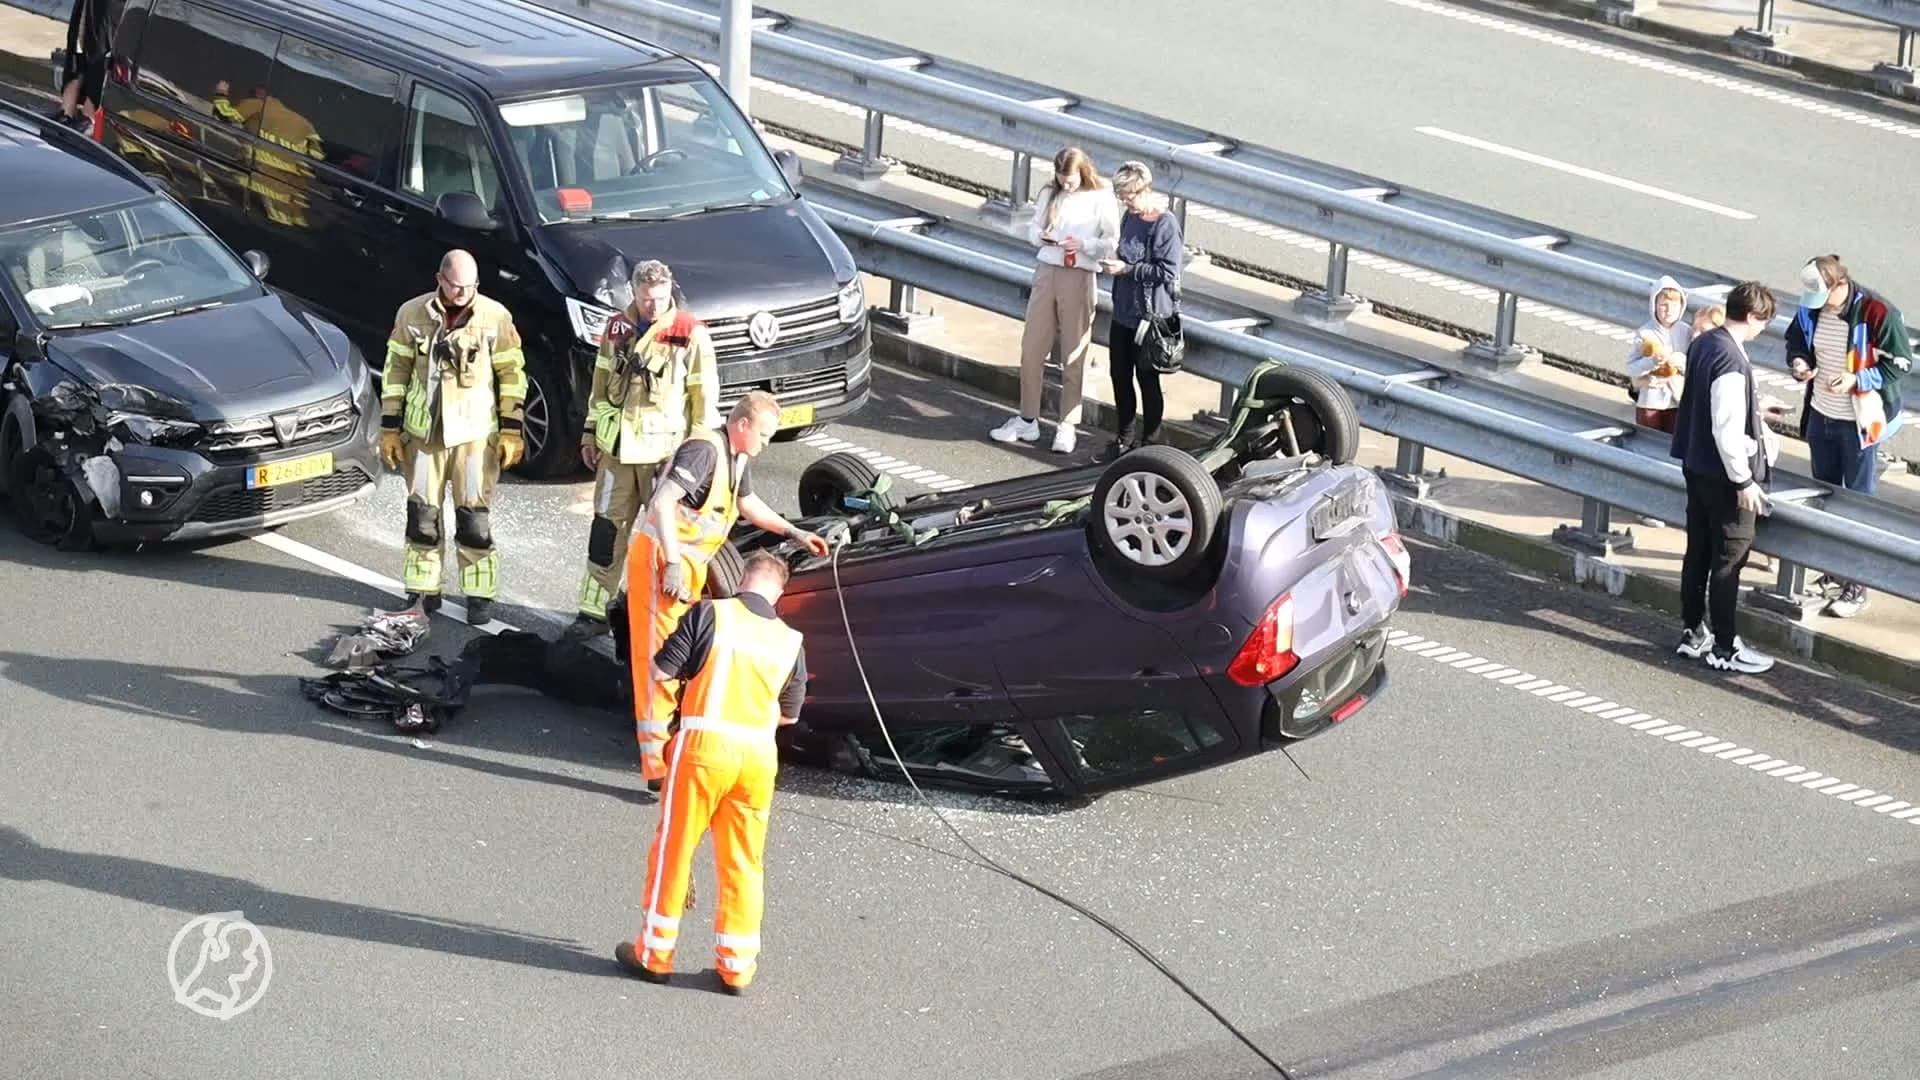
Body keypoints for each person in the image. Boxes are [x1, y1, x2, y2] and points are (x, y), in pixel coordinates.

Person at [615, 550, 807, 994]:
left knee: (674, 850)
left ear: (743, 579)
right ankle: (736, 968)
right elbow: (789, 716)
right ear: (779, 592)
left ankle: (654, 954)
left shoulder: (710, 614)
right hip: (758, 758)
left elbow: (661, 671)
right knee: (743, 862)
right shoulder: (790, 641)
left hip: (704, 748)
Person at [625, 391, 829, 788]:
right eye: (765, 435)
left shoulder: (737, 457)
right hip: (661, 565)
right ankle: (657, 767)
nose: (766, 444)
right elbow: (663, 503)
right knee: (660, 663)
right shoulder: (704, 452)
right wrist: (669, 564)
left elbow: (747, 503)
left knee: (681, 654)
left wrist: (795, 532)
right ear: (742, 425)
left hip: (688, 565)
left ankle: (671, 747)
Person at [571, 260, 720, 637]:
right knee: (605, 533)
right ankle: (593, 613)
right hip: (617, 454)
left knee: (661, 540)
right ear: (634, 293)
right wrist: (590, 434)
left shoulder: (690, 333)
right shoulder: (617, 328)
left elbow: (704, 399)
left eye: (659, 298)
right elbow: (600, 386)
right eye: (645, 298)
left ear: (669, 290)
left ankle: (657, 620)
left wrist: (697, 455)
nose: (653, 306)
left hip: (662, 458)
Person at [379, 250, 528, 626]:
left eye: (470, 286)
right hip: (424, 434)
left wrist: (512, 429)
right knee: (422, 515)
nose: (463, 293)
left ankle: (479, 595)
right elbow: (396, 370)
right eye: (456, 285)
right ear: (439, 280)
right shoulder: (411, 314)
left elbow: (512, 375)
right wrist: (389, 428)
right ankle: (423, 589)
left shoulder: (495, 317)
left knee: (473, 517)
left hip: (475, 435)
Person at [1783, 255, 1912, 618]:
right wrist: (1799, 364)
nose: (1818, 306)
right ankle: (1830, 570)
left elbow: (1900, 363)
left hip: (1859, 423)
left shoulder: (1876, 311)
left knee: (1857, 502)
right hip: (1821, 415)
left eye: (1824, 298)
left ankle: (1857, 584)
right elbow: (1796, 340)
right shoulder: (1811, 308)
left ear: (1839, 285)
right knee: (1824, 495)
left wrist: (1857, 379)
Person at [1669, 281, 1781, 675]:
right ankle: (1725, 645)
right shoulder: (1732, 360)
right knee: (1729, 558)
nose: (1762, 330)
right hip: (1724, 476)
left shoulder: (1705, 342)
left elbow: (1709, 402)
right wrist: (1744, 482)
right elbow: (1727, 428)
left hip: (1694, 464)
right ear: (1752, 316)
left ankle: (1692, 630)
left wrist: (1756, 406)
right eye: (1763, 322)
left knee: (1697, 550)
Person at [990, 146, 1120, 455]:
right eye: (1062, 179)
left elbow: (1111, 240)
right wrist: (1042, 237)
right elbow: (1033, 229)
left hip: (1079, 273)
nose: (1067, 185)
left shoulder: (1101, 195)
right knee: (1032, 348)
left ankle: (1067, 424)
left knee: (1074, 352)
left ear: (1082, 172)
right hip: (1047, 268)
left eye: (1071, 180)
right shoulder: (1050, 191)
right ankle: (1027, 418)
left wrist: (1084, 244)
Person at [1097, 160, 1184, 462]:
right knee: (1120, 375)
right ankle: (1124, 439)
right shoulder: (1129, 218)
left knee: (1148, 380)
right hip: (1124, 311)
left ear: (1145, 190)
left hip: (1150, 318)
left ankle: (1150, 444)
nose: (1125, 201)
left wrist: (1128, 269)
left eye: (1129, 195)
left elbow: (1168, 271)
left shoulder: (1165, 224)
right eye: (1122, 196)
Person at [1627, 276, 1693, 435]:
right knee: (1649, 439)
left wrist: (1679, 361)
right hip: (1651, 400)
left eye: (1674, 305)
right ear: (1654, 306)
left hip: (1678, 400)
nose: (1669, 310)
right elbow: (1632, 368)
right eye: (1663, 305)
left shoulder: (1686, 332)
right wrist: (1651, 362)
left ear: (1682, 306)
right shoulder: (1645, 333)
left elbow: (1695, 365)